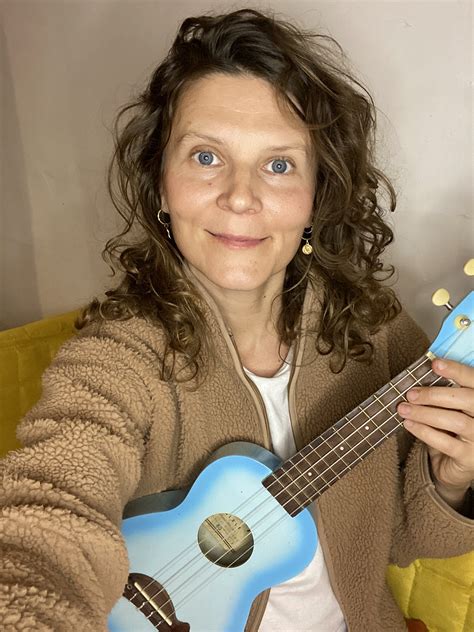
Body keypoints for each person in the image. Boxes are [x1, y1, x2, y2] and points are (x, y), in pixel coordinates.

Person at [1, 8, 472, 632]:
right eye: (205, 156)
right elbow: (49, 517)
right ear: (160, 182)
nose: (241, 196)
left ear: (316, 196)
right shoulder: (115, 358)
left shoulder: (374, 329)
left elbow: (404, 539)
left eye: (279, 165)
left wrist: (451, 479)